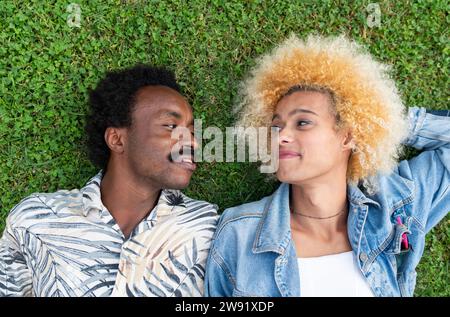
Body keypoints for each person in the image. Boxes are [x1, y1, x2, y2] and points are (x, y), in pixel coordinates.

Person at [204, 35, 449, 297]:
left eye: (302, 122)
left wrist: (381, 122)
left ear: (347, 136)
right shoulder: (239, 232)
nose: (281, 136)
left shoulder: (396, 204)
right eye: (276, 126)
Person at [0, 65, 218, 297]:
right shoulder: (36, 219)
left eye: (192, 132)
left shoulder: (209, 228)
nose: (193, 143)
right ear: (117, 139)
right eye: (171, 126)